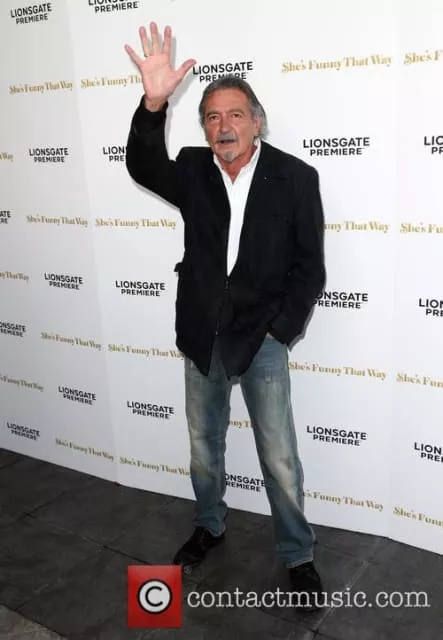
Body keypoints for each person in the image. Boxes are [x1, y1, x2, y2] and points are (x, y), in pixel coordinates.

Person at [125, 22, 326, 608]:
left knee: (279, 455)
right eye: (212, 117)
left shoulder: (296, 178)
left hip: (262, 339)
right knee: (203, 445)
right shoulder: (192, 168)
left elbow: (309, 268)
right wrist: (153, 104)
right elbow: (142, 165)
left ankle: (298, 554)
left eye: (235, 114)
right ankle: (209, 524)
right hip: (202, 333)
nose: (224, 126)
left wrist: (280, 330)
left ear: (257, 121)